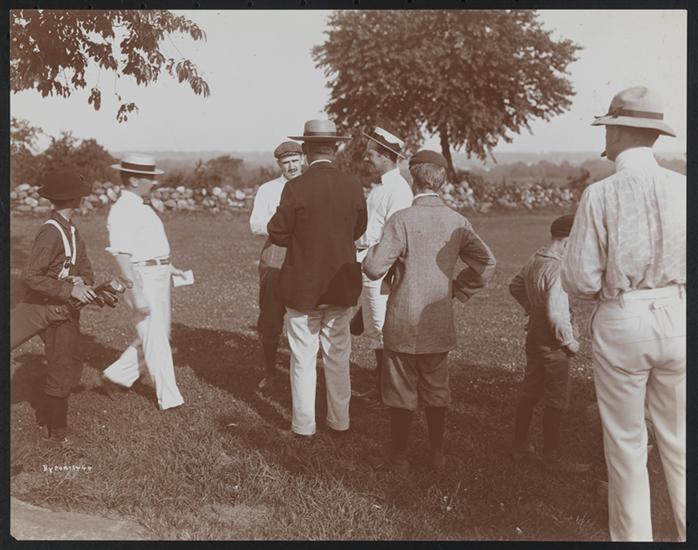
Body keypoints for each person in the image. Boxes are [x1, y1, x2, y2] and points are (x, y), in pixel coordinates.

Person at [561, 86, 685, 541]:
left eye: (608, 129)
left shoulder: (600, 194)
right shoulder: (683, 187)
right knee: (682, 442)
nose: (605, 138)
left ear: (618, 132)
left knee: (627, 445)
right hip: (676, 313)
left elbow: (579, 278)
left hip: (624, 316)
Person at [363, 150, 496, 473]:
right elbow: (487, 263)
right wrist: (457, 288)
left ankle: (398, 457)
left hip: (403, 319)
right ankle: (437, 454)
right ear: (442, 181)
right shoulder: (457, 221)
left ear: (414, 179)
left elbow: (374, 268)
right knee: (437, 389)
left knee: (400, 390)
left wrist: (372, 251)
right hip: (438, 319)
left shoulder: (402, 220)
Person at [268, 119, 367, 438]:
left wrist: (302, 239)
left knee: (302, 357)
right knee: (338, 357)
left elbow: (277, 232)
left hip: (303, 285)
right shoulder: (353, 186)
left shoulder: (295, 187)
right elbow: (359, 229)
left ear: (306, 150)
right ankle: (340, 421)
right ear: (335, 148)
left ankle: (303, 425)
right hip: (340, 283)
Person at [13, 167, 97, 444]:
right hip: (38, 307)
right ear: (75, 199)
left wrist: (82, 281)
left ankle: (53, 424)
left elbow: (85, 269)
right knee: (61, 368)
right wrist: (69, 288)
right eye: (81, 195)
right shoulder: (50, 232)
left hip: (61, 309)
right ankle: (56, 429)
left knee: (68, 365)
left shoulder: (72, 231)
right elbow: (31, 275)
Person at [99, 154, 187, 411]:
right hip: (141, 279)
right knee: (156, 338)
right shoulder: (122, 209)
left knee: (157, 334)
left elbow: (147, 245)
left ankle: (116, 375)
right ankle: (170, 399)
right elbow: (122, 255)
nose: (154, 182)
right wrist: (136, 293)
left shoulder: (141, 206)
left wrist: (169, 267)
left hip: (156, 275)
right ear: (135, 180)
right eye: (150, 177)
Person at [509, 215, 589, 473]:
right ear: (568, 240)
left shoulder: (537, 258)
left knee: (531, 387)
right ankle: (552, 457)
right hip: (554, 341)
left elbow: (515, 286)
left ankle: (519, 445)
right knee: (557, 396)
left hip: (535, 333)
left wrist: (533, 308)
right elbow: (556, 314)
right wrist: (569, 342)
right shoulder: (558, 269)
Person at [354, 127, 413, 401]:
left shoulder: (398, 190)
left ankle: (388, 390)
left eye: (372, 154)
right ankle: (382, 386)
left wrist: (379, 264)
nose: (368, 158)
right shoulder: (381, 187)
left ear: (387, 157)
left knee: (381, 327)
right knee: (373, 327)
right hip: (368, 261)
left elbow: (395, 235)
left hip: (380, 266)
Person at [249, 141, 304, 392]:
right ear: (279, 164)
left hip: (307, 254)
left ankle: (303, 373)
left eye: (295, 161)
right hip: (276, 253)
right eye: (286, 162)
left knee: (306, 314)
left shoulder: (311, 185)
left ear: (303, 160)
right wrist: (283, 225)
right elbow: (256, 225)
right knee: (271, 315)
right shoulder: (268, 189)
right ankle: (270, 371)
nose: (291, 166)